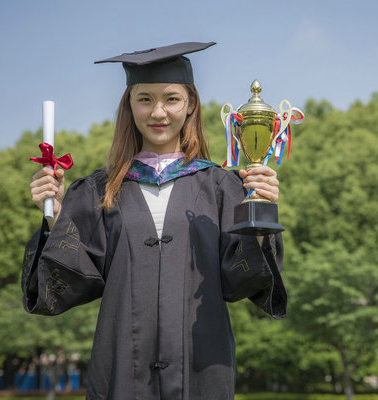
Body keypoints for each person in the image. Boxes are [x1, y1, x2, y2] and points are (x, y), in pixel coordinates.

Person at [22, 42, 286, 400]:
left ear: (191, 104)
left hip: (201, 367)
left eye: (172, 99)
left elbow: (241, 281)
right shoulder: (98, 190)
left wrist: (260, 211)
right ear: (129, 106)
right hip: (122, 369)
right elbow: (64, 282)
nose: (158, 111)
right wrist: (54, 212)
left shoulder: (223, 187)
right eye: (144, 98)